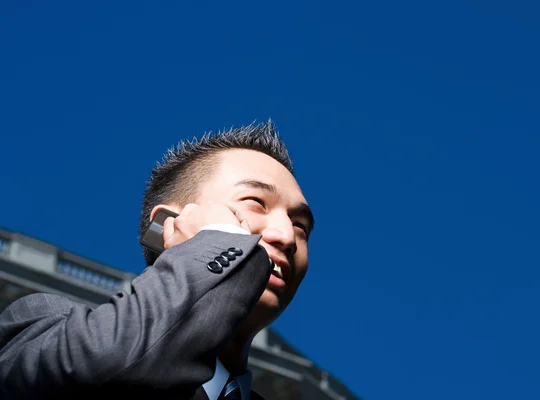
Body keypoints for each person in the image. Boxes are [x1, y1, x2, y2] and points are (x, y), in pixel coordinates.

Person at [0, 121, 314, 399]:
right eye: (256, 202)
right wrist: (220, 241)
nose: (287, 237)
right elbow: (109, 367)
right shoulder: (37, 325)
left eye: (301, 226)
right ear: (169, 224)